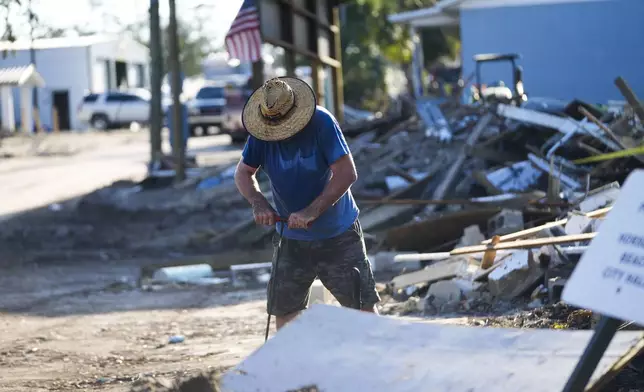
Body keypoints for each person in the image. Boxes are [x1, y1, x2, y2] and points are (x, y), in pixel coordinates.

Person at [234, 77, 380, 330]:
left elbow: (347, 173)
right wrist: (258, 202)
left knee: (362, 307)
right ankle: (292, 366)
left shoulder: (321, 122)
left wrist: (312, 210)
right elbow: (243, 173)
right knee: (285, 310)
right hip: (291, 238)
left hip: (338, 232)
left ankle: (378, 363)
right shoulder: (261, 131)